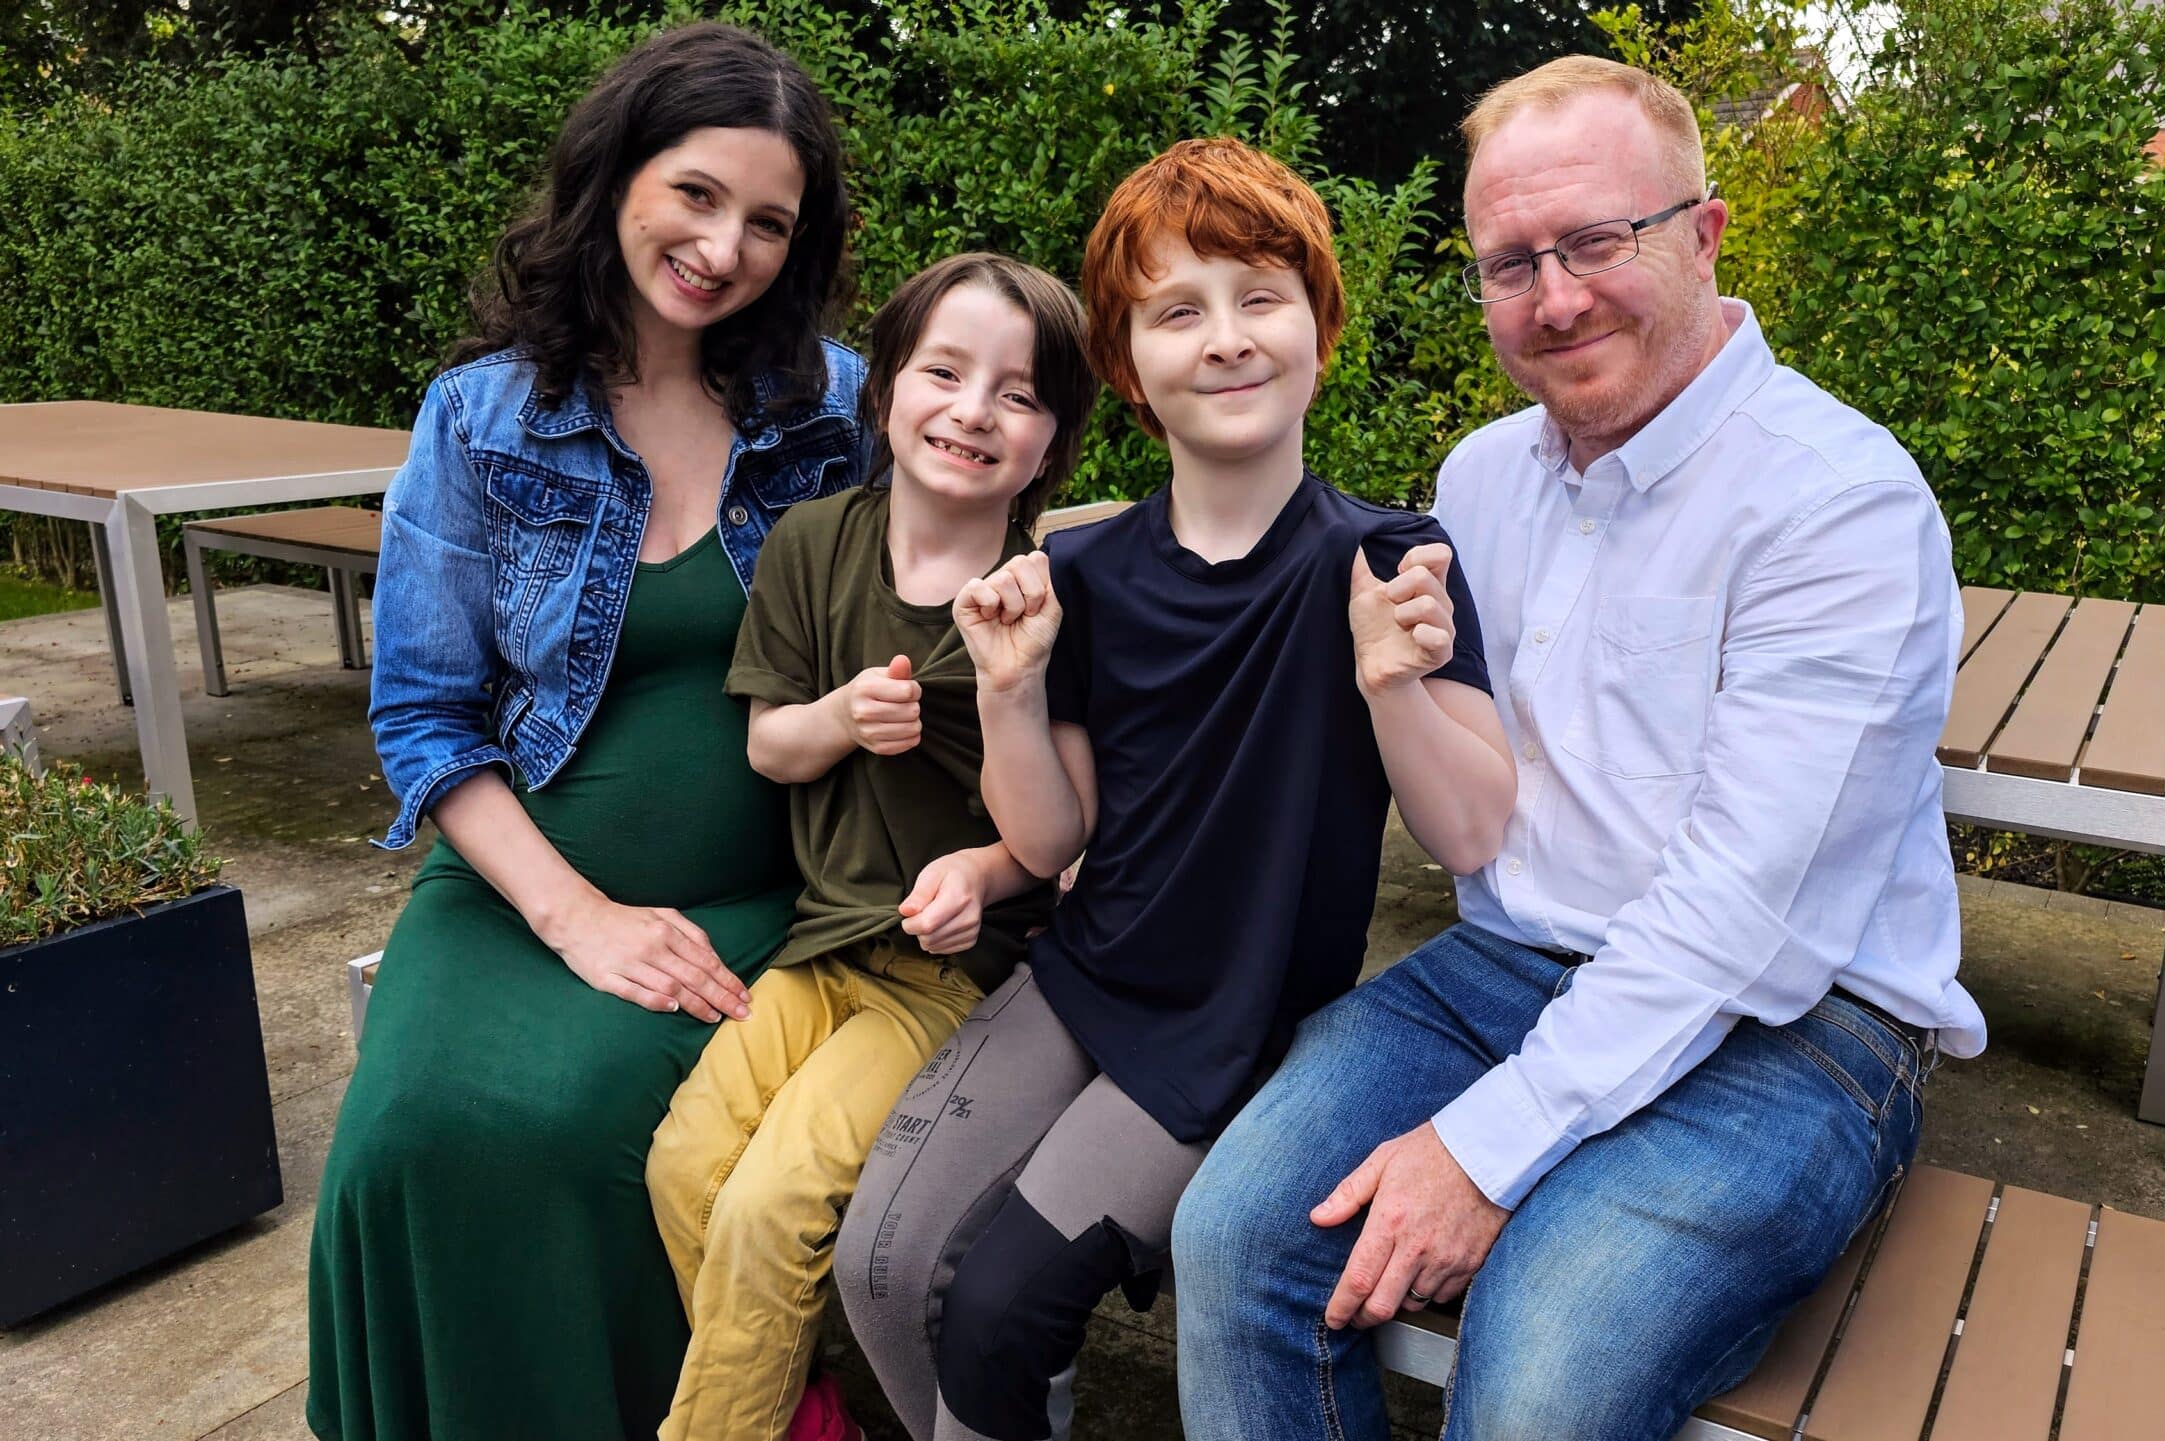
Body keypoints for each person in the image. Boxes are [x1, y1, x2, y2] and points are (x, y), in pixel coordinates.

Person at [1172, 56, 1989, 1441]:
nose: (1556, 299)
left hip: (1797, 1023)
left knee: (1543, 1372)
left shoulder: (1836, 504)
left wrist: (1485, 1149)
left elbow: (1747, 919)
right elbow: (1451, 785)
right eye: (1511, 264)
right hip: (1506, 969)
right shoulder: (1485, 477)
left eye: (1599, 242)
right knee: (1236, 1235)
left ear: (1706, 233)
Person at [832, 137, 1516, 1441]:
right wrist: (1015, 691)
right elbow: (1049, 836)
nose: (1226, 338)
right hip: (1085, 977)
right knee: (879, 1262)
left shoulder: (1391, 559)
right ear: (1124, 361)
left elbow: (1474, 825)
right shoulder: (1089, 571)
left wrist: (1392, 685)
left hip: (1238, 1027)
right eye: (1176, 311)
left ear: (1320, 323)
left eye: (1262, 297)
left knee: (996, 1311)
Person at [307, 24, 863, 1440]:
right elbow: (424, 719)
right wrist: (576, 919)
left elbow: (978, 539)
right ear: (617, 172)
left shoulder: (839, 408)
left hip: (764, 897)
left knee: (574, 1133)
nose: (723, 246)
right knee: (409, 1138)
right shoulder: (483, 418)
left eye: (766, 222)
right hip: (526, 893)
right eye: (695, 192)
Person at [642, 252, 1098, 1441]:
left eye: (1017, 394)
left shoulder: (1048, 598)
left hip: (945, 984)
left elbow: (1058, 838)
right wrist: (842, 716)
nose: (972, 410)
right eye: (943, 371)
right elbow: (770, 748)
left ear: (1051, 444)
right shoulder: (810, 545)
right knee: (685, 1167)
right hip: (819, 946)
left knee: (768, 1210)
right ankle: (804, 1417)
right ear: (885, 387)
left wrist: (983, 870)